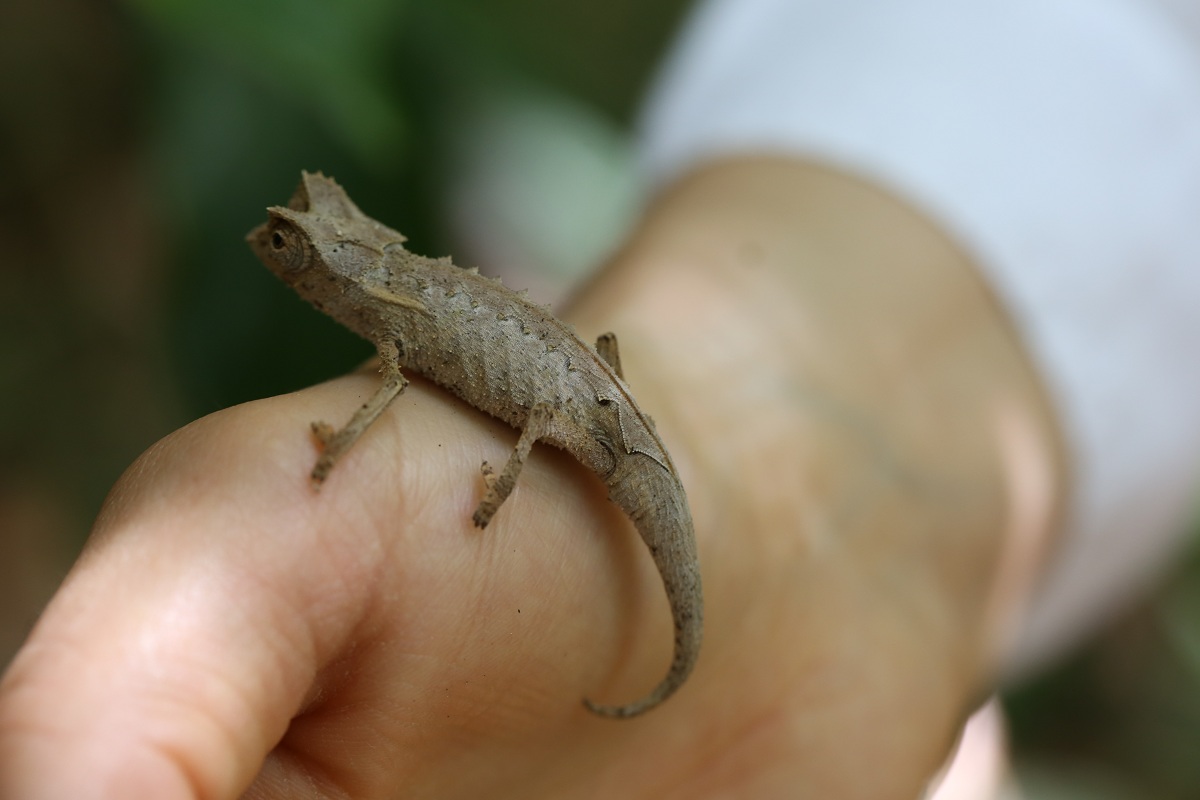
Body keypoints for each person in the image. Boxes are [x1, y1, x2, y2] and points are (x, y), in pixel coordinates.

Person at [2, 1, 1198, 797]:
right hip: (587, 388)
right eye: (283, 243)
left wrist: (366, 459)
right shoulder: (391, 305)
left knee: (545, 412)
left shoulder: (391, 318)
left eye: (290, 245)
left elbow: (384, 400)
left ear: (337, 262)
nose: (283, 255)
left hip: (581, 412)